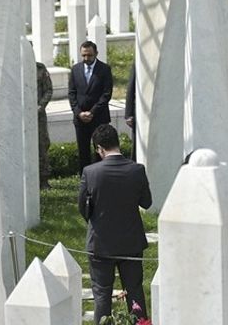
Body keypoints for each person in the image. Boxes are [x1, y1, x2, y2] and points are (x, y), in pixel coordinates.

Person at [78, 124, 152, 323]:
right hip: (131, 242)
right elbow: (147, 202)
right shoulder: (137, 170)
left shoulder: (90, 172)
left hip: (101, 243)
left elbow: (83, 209)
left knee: (102, 295)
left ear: (99, 148)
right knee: (135, 292)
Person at [68, 40, 113, 172]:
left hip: (99, 118)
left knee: (100, 151)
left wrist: (92, 112)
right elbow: (72, 93)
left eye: (89, 55)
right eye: (84, 55)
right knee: (83, 152)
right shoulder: (75, 69)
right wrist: (78, 113)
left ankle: (100, 177)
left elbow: (106, 94)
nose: (86, 58)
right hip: (80, 119)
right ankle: (85, 179)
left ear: (96, 53)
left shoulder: (104, 69)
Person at [36, 61, 54, 189]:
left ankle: (43, 179)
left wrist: (41, 105)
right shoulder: (12, 67)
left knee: (42, 145)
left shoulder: (40, 68)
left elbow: (48, 90)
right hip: (19, 115)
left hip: (38, 115)